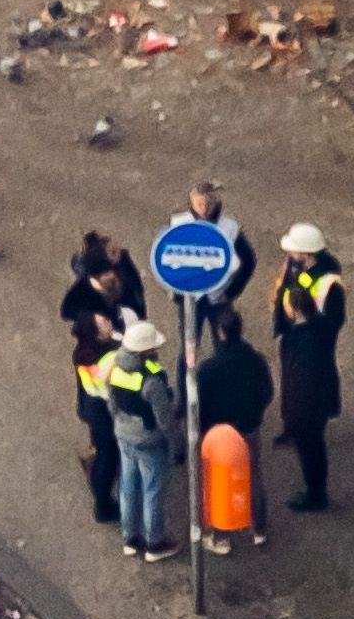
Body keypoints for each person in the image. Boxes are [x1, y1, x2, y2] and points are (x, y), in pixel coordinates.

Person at [272, 223, 346, 511]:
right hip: (294, 342)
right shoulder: (296, 265)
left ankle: (316, 493)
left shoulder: (330, 286)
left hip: (312, 355)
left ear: (308, 253)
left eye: (294, 249)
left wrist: (310, 314)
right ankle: (292, 425)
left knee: (309, 432)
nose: (289, 253)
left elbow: (332, 327)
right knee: (290, 391)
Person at [193, 310, 275, 551]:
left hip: (219, 434)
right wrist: (255, 414)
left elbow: (201, 404)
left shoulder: (208, 369)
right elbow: (267, 391)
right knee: (253, 475)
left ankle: (221, 535)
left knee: (219, 481)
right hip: (248, 427)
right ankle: (259, 528)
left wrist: (204, 429)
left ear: (219, 333)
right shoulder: (256, 361)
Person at [97, 317, 179, 560]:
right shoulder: (152, 379)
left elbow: (112, 403)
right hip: (148, 442)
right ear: (146, 351)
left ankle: (130, 538)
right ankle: (155, 543)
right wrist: (177, 446)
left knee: (127, 485)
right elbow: (164, 420)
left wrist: (121, 426)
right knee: (152, 490)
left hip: (123, 436)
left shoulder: (115, 366)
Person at [63, 233, 130, 523]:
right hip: (101, 402)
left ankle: (98, 467)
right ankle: (103, 502)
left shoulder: (87, 348)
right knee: (109, 453)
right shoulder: (95, 350)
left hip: (96, 398)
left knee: (103, 446)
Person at [182, 182, 256, 334]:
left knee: (224, 343)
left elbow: (248, 261)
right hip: (190, 298)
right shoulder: (180, 224)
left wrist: (231, 292)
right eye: (199, 204)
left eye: (208, 204)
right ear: (192, 203)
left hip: (219, 298)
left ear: (215, 203)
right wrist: (176, 293)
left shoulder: (229, 228)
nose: (203, 209)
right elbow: (166, 260)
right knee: (188, 350)